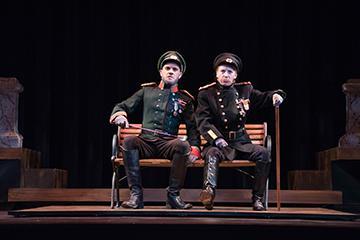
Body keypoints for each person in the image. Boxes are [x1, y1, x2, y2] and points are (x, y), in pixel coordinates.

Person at [109, 50, 201, 209]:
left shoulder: (185, 99)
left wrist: (195, 149)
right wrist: (120, 117)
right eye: (167, 68)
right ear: (161, 72)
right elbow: (122, 106)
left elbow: (193, 128)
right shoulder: (147, 91)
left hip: (168, 144)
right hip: (146, 142)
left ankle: (173, 196)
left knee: (182, 146)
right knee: (129, 141)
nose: (171, 71)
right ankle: (136, 196)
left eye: (175, 69)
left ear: (180, 75)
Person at [195, 52, 286, 211]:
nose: (226, 75)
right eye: (222, 71)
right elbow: (203, 121)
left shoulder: (245, 89)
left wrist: (276, 96)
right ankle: (208, 192)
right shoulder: (206, 93)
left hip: (240, 142)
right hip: (219, 142)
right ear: (216, 74)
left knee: (263, 153)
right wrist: (216, 139)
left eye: (230, 72)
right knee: (212, 154)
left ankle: (258, 198)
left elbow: (264, 97)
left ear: (235, 75)